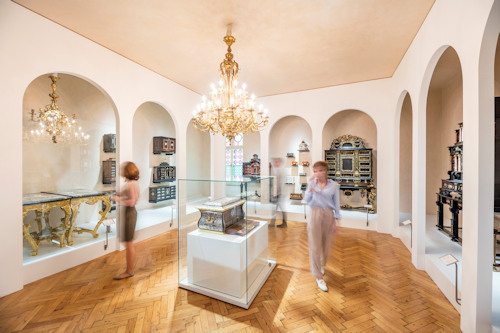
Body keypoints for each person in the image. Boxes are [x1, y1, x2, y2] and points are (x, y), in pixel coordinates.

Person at [304, 161, 340, 292]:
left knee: (325, 245)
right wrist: (310, 188)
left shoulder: (334, 185)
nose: (317, 173)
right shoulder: (312, 184)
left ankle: (321, 264)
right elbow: (306, 200)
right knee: (314, 245)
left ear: (325, 171)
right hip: (314, 213)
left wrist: (336, 220)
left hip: (328, 215)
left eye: (319, 170)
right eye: (314, 171)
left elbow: (336, 203)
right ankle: (318, 276)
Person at [111, 161, 140, 280]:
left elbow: (132, 201)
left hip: (130, 212)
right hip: (129, 212)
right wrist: (118, 194)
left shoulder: (131, 184)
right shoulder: (133, 182)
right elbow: (127, 194)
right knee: (127, 243)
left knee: (128, 244)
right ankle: (129, 269)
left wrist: (117, 199)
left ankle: (129, 271)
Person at [270, 157, 287, 227]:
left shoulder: (279, 171)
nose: (275, 163)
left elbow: (278, 184)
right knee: (275, 208)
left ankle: (282, 223)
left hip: (279, 193)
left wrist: (274, 194)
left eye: (276, 162)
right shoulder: (277, 170)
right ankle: (273, 223)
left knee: (277, 208)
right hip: (278, 193)